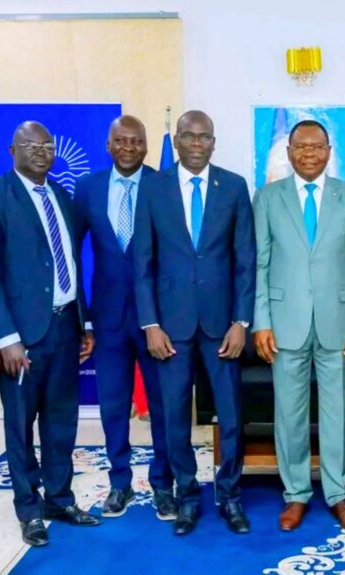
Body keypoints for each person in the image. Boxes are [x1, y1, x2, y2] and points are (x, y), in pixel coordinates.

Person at [0, 121, 101, 547]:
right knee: (21, 425)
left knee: (61, 421)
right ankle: (28, 510)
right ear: (12, 150)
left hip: (65, 327)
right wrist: (6, 338)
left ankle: (59, 500)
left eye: (47, 145)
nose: (41, 152)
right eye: (31, 145)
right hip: (21, 337)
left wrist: (83, 321)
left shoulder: (61, 195)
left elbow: (70, 263)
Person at [133, 110, 255, 536]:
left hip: (223, 325)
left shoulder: (234, 187)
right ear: (177, 141)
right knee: (174, 417)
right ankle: (186, 496)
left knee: (231, 415)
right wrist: (150, 323)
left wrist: (241, 321)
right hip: (170, 326)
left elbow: (245, 260)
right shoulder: (153, 188)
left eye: (205, 137)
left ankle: (230, 495)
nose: (197, 144)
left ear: (214, 142)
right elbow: (142, 262)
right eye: (189, 136)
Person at [252, 120, 345, 533]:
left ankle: (340, 495)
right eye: (300, 146)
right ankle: (296, 494)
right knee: (289, 413)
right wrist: (261, 321)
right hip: (284, 322)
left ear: (329, 151)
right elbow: (260, 264)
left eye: (317, 146)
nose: (309, 153)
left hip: (338, 323)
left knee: (339, 413)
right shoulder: (267, 198)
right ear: (288, 152)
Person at [73, 115, 176, 519]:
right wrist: (83, 317)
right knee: (113, 405)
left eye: (136, 141)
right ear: (108, 144)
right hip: (108, 318)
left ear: (147, 146)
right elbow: (71, 253)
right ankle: (120, 482)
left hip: (158, 320)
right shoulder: (88, 188)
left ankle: (163, 483)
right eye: (121, 140)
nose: (129, 147)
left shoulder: (163, 184)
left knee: (163, 406)